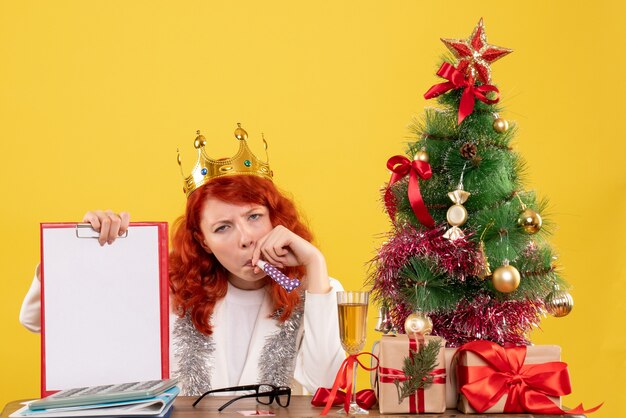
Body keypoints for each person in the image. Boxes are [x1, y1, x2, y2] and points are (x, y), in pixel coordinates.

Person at [19, 125, 345, 396]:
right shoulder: (172, 289)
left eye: (255, 216)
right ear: (203, 240)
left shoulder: (314, 291)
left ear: (277, 220)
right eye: (223, 227)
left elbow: (328, 387)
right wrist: (86, 250)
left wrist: (315, 264)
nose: (245, 237)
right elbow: (38, 320)